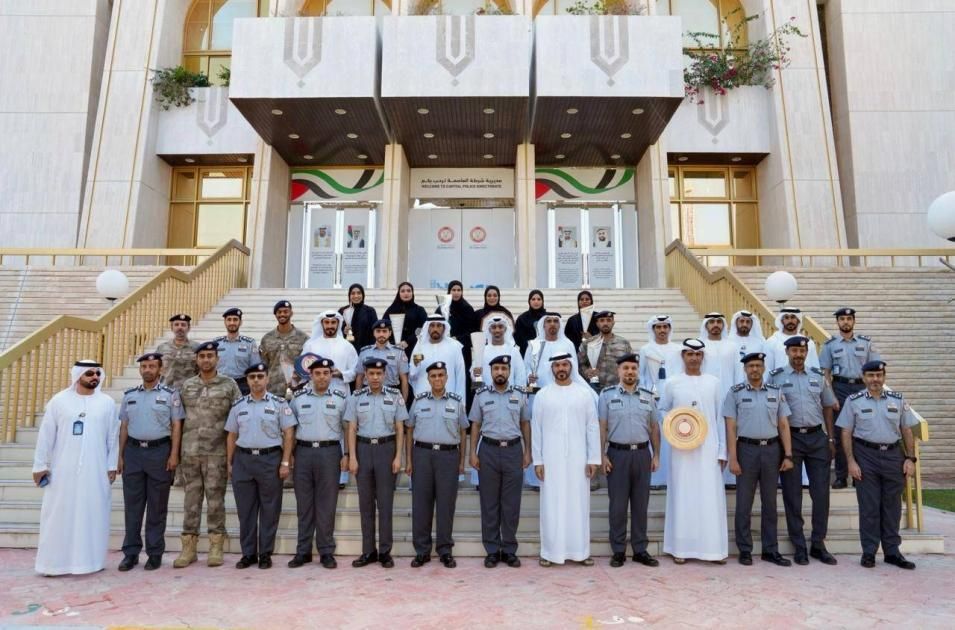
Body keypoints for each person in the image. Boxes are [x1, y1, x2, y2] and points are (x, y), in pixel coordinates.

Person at [32, 360, 119, 576]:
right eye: (89, 373)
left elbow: (113, 437)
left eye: (97, 373)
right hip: (63, 471)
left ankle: (89, 562)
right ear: (78, 375)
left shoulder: (107, 403)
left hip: (95, 470)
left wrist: (111, 465)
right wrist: (40, 465)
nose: (94, 377)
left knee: (92, 515)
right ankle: (53, 564)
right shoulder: (59, 401)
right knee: (58, 515)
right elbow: (46, 435)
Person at [836, 360, 918, 570]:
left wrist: (910, 459)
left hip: (893, 456)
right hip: (866, 456)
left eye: (879, 375)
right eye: (871, 375)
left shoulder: (897, 400)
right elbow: (846, 432)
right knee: (869, 507)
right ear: (864, 378)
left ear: (884, 377)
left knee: (892, 507)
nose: (875, 379)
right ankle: (869, 552)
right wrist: (851, 462)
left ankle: (892, 552)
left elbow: (906, 430)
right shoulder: (853, 401)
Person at [768, 336, 839, 565]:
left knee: (821, 494)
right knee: (792, 494)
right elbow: (771, 409)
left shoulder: (817, 376)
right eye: (794, 351)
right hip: (791, 440)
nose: (798, 355)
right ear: (787, 352)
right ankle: (799, 545)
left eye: (802, 351)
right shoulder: (776, 377)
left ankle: (818, 543)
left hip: (817, 438)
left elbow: (827, 406)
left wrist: (830, 437)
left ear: (807, 352)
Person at [173, 341, 242, 569]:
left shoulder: (229, 385)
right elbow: (177, 420)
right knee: (191, 501)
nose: (206, 360)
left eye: (210, 356)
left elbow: (238, 419)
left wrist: (233, 456)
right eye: (202, 356)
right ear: (196, 359)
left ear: (217, 359)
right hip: (190, 452)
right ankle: (188, 548)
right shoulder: (187, 386)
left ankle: (215, 546)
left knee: (215, 501)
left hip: (217, 453)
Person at [659, 339, 727, 564]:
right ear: (683, 356)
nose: (694, 358)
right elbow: (663, 411)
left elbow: (720, 418)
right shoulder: (672, 383)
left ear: (702, 357)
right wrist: (677, 427)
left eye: (698, 355)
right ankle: (681, 549)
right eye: (689, 354)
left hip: (709, 448)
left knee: (709, 497)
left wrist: (722, 451)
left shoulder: (714, 383)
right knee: (683, 495)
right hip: (682, 450)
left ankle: (713, 550)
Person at [723, 352, 794, 567]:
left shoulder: (776, 391)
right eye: (751, 366)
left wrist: (788, 454)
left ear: (764, 368)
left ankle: (770, 550)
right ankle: (745, 549)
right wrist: (733, 458)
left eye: (758, 365)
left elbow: (783, 424)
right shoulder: (735, 393)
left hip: (772, 450)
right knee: (744, 503)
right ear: (745, 369)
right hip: (746, 450)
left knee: (770, 503)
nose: (755, 369)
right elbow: (730, 427)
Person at [531, 353, 601, 567]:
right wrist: (538, 460)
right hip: (550, 460)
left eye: (564, 364)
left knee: (578, 504)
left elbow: (592, 427)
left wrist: (593, 458)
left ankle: (581, 552)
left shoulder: (584, 394)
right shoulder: (542, 395)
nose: (561, 368)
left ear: (571, 367)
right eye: (557, 365)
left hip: (579, 460)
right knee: (551, 504)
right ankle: (550, 552)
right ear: (551, 369)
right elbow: (536, 429)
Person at [225, 363, 296, 570]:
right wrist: (230, 462)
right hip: (243, 460)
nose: (256, 380)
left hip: (270, 460)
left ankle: (265, 553)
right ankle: (248, 554)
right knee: (245, 511)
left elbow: (289, 433)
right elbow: (231, 435)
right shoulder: (239, 405)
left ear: (267, 379)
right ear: (247, 381)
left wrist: (285, 462)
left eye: (260, 376)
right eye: (252, 377)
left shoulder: (279, 403)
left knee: (270, 509)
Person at [117, 353, 183, 571]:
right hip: (133, 453)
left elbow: (176, 426)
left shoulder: (170, 395)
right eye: (144, 366)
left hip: (159, 453)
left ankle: (154, 553)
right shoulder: (129, 396)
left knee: (157, 507)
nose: (147, 369)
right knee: (132, 507)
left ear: (160, 370)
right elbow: (124, 426)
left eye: (152, 366)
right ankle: (131, 553)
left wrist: (174, 454)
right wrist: (120, 455)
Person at [598, 353, 661, 568]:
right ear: (619, 371)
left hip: (642, 455)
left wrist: (656, 454)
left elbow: (654, 428)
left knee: (640, 505)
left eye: (633, 368)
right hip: (617, 455)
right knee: (617, 506)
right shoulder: (607, 395)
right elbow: (602, 427)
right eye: (625, 368)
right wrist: (602, 455)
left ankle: (640, 550)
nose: (630, 372)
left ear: (637, 371)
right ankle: (618, 551)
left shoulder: (648, 396)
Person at [405, 362, 469, 568]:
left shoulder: (457, 402)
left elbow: (463, 432)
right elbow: (409, 429)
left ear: (447, 377)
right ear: (428, 379)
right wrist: (409, 460)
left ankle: (445, 550)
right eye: (433, 376)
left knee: (446, 505)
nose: (437, 379)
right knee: (421, 505)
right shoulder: (419, 401)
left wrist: (461, 462)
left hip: (448, 457)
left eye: (441, 375)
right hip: (422, 455)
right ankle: (422, 551)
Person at [469, 355, 531, 568]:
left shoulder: (520, 394)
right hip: (488, 450)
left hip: (513, 451)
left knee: (511, 504)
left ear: (509, 371)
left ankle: (510, 550)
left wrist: (527, 451)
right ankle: (492, 550)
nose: (500, 372)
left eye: (504, 368)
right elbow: (475, 425)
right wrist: (472, 453)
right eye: (496, 369)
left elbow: (525, 423)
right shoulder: (481, 395)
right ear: (491, 372)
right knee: (489, 503)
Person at [345, 358, 408, 569]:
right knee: (366, 504)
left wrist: (398, 457)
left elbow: (400, 428)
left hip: (386, 449)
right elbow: (351, 428)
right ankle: (368, 551)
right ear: (365, 375)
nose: (374, 377)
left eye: (378, 374)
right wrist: (352, 457)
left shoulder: (395, 396)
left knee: (385, 503)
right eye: (371, 373)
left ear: (384, 375)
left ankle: (385, 552)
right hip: (363, 450)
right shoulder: (356, 397)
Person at [288, 358, 349, 569]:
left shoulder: (341, 399)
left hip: (330, 453)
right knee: (304, 505)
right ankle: (303, 551)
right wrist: (290, 455)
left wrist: (347, 454)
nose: (322, 377)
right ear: (311, 375)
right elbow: (290, 429)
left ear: (331, 375)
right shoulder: (298, 398)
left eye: (326, 373)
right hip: (303, 453)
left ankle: (326, 551)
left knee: (327, 505)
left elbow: (347, 428)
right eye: (318, 373)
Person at [819, 307, 881, 490]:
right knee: (840, 433)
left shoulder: (865, 343)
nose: (845, 322)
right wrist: (831, 396)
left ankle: (859, 475)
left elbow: (875, 369)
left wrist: (872, 393)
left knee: (861, 433)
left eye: (848, 319)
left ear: (854, 321)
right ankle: (841, 476)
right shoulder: (830, 345)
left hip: (862, 388)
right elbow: (825, 373)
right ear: (837, 322)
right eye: (842, 319)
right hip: (839, 388)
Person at [639, 315, 681, 488]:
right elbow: (641, 375)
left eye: (665, 327)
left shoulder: (678, 349)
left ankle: (673, 477)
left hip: (674, 399)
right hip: (653, 398)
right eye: (658, 327)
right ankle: (656, 478)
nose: (662, 330)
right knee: (656, 435)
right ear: (653, 329)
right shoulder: (646, 349)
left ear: (670, 329)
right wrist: (646, 395)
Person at [408, 315, 467, 399]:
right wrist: (417, 361)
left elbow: (460, 376)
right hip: (424, 399)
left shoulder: (454, 346)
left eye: (439, 325)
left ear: (444, 327)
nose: (435, 329)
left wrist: (460, 402)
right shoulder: (420, 346)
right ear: (427, 328)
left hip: (449, 399)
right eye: (432, 325)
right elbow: (413, 374)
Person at [259, 300, 309, 398]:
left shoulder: (303, 338)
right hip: (273, 390)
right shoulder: (267, 339)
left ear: (291, 313)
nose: (282, 314)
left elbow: (307, 365)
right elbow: (263, 365)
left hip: (297, 390)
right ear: (275, 314)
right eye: (279, 312)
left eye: (285, 311)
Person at [304, 310, 359, 394]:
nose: (330, 326)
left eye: (333, 322)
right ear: (322, 324)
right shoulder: (311, 346)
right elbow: (304, 369)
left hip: (340, 392)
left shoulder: (347, 346)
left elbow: (355, 370)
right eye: (326, 322)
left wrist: (341, 374)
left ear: (338, 324)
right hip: (315, 392)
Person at [356, 318, 411, 403]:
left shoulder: (399, 352)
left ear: (390, 333)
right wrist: (357, 400)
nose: (381, 334)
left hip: (392, 395)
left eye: (384, 331)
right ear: (374, 333)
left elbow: (404, 379)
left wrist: (403, 403)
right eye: (378, 331)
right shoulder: (365, 352)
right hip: (368, 394)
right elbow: (360, 377)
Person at [578, 310, 633, 391]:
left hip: (618, 388)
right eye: (602, 320)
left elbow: (631, 364)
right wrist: (586, 372)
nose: (605, 323)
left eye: (608, 320)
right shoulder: (588, 344)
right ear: (597, 323)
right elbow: (579, 364)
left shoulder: (623, 343)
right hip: (594, 389)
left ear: (613, 322)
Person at [213, 307, 260, 396]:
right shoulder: (216, 343)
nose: (232, 323)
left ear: (240, 322)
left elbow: (255, 368)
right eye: (229, 320)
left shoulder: (249, 343)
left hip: (242, 386)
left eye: (235, 319)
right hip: (220, 385)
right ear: (225, 322)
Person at [472, 314, 527, 390]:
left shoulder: (513, 351)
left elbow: (521, 376)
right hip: (486, 395)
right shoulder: (481, 351)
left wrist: (519, 394)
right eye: (493, 327)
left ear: (505, 329)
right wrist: (476, 375)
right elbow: (474, 378)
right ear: (489, 330)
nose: (497, 330)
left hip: (510, 395)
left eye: (500, 327)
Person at [383, 282, 429, 360]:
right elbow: (384, 327)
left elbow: (424, 328)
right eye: (403, 291)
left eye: (408, 290)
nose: (406, 293)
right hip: (394, 349)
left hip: (415, 348)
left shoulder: (419, 310)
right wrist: (392, 343)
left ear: (412, 293)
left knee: (415, 366)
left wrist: (408, 341)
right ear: (399, 293)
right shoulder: (391, 310)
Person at [723, 310, 770, 386]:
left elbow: (766, 365)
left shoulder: (760, 343)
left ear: (752, 324)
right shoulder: (727, 342)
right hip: (732, 384)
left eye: (748, 322)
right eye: (742, 321)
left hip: (755, 384)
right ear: (736, 323)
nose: (745, 324)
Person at [766, 307, 818, 372]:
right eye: (786, 318)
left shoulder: (809, 343)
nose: (790, 321)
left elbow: (815, 367)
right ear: (782, 321)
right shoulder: (771, 342)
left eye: (793, 317)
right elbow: (767, 368)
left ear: (798, 320)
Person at [156, 313, 198, 390]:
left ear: (188, 328)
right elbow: (156, 369)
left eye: (183, 325)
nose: (180, 327)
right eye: (176, 325)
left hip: (189, 390)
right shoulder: (162, 348)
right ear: (172, 328)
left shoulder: (196, 347)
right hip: (166, 390)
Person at [339, 283, 378, 353]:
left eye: (359, 293)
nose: (356, 296)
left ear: (363, 295)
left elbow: (375, 332)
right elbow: (337, 332)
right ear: (349, 295)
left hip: (365, 351)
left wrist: (369, 350)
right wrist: (344, 331)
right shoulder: (343, 311)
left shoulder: (370, 311)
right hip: (346, 351)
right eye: (353, 293)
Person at [514, 290, 546, 356]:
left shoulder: (548, 318)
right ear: (529, 301)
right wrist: (530, 347)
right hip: (526, 353)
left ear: (542, 301)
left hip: (545, 352)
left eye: (539, 299)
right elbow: (517, 338)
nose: (536, 301)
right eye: (533, 299)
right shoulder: (522, 318)